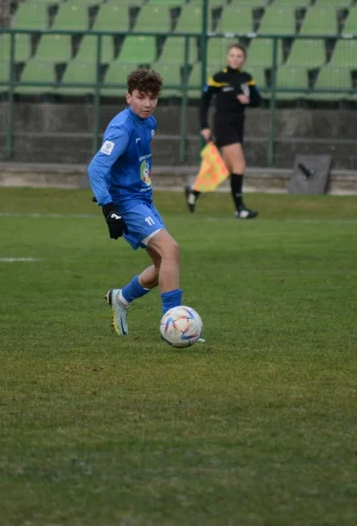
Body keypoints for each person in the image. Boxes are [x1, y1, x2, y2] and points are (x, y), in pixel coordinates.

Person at [88, 68, 184, 338]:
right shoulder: (122, 128)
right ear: (128, 97)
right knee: (171, 250)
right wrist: (109, 209)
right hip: (127, 203)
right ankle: (175, 328)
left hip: (143, 199)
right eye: (141, 97)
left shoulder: (149, 123)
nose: (148, 104)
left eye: (153, 98)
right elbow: (96, 169)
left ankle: (121, 298)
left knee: (162, 265)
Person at [185, 43, 262, 218]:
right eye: (232, 55)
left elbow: (259, 101)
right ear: (227, 57)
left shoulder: (247, 78)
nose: (235, 59)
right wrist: (204, 126)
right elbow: (204, 102)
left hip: (238, 125)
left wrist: (247, 100)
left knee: (227, 170)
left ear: (244, 59)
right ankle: (240, 209)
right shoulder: (218, 77)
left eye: (239, 56)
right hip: (223, 125)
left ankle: (194, 189)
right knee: (240, 165)